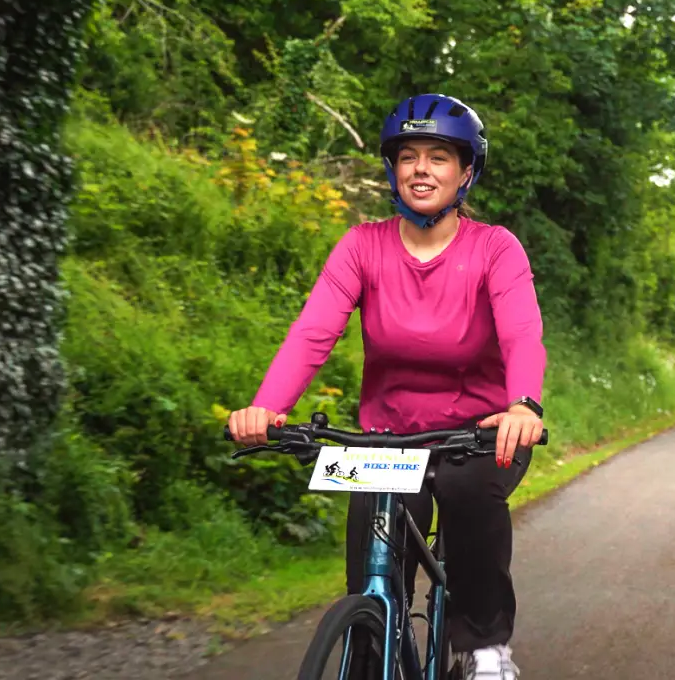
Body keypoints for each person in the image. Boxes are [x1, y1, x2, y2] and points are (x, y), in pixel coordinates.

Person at [227, 93, 546, 680]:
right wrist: (268, 407)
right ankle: (371, 643)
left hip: (478, 434)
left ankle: (483, 649)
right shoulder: (361, 247)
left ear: (466, 171)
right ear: (392, 170)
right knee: (373, 551)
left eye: (439, 157)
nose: (421, 168)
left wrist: (524, 403)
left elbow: (522, 332)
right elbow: (312, 332)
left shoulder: (495, 248)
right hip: (386, 441)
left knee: (472, 494)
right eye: (409, 156)